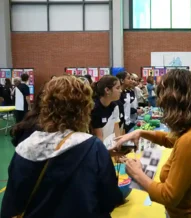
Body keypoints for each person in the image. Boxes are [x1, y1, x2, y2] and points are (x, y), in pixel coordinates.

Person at [1, 76, 123, 217]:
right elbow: (109, 200)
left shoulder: (24, 148)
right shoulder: (93, 148)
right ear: (84, 110)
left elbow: (10, 207)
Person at [114, 69, 191, 218]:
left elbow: (169, 196)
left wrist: (138, 174)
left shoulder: (190, 141)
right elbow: (169, 139)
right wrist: (140, 133)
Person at [90, 75, 122, 143]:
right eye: (118, 88)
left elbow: (117, 133)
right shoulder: (95, 108)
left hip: (108, 146)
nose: (120, 90)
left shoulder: (115, 106)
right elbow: (99, 138)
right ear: (107, 90)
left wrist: (119, 145)